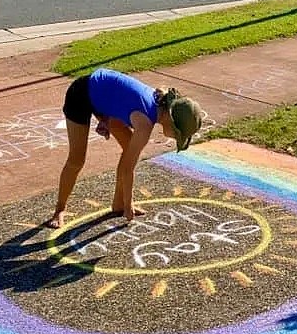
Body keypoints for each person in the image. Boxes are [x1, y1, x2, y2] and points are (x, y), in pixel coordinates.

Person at [48, 67, 203, 228]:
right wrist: (130, 205)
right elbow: (127, 169)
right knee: (77, 160)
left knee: (129, 146)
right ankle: (59, 209)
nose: (175, 138)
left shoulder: (157, 104)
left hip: (104, 95)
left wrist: (106, 118)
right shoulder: (144, 125)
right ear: (171, 121)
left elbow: (121, 98)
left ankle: (118, 204)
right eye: (178, 135)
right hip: (81, 94)